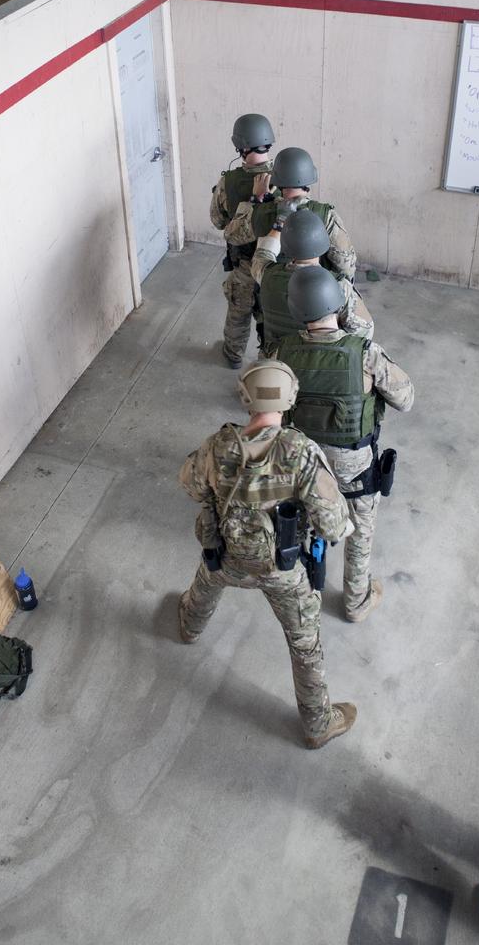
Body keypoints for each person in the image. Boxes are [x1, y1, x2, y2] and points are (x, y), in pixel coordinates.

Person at [177, 358, 357, 749]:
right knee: (304, 643)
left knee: (204, 586)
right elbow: (335, 526)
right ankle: (317, 725)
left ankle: (189, 628)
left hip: (223, 557)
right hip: (283, 569)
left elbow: (189, 484)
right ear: (290, 397)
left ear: (245, 397)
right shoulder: (300, 453)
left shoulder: (218, 445)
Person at [274, 266, 414, 623]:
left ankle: (301, 595)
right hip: (354, 466)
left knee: (301, 526)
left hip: (303, 463)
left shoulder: (281, 352)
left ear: (296, 310)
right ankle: (356, 601)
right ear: (338, 305)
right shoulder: (364, 353)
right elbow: (405, 398)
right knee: (360, 532)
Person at [224, 146, 357, 284]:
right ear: (310, 178)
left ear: (276, 180)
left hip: (271, 291)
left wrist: (255, 200)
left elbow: (231, 235)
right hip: (312, 292)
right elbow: (346, 265)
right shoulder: (326, 215)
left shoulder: (259, 212)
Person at [251, 208, 374, 355]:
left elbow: (262, 254)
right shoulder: (338, 286)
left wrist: (279, 225)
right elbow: (365, 331)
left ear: (285, 246)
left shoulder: (266, 275)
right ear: (323, 242)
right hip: (319, 365)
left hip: (277, 366)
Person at [210, 114, 276, 369]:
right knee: (271, 320)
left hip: (245, 266)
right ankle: (269, 369)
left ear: (239, 145)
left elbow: (218, 221)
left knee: (238, 312)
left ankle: (233, 354)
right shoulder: (289, 179)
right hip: (275, 268)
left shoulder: (228, 181)